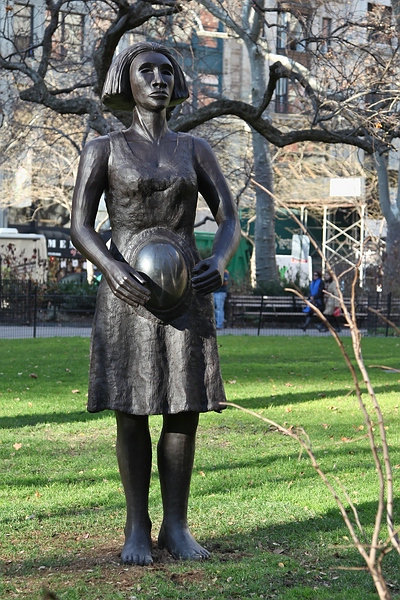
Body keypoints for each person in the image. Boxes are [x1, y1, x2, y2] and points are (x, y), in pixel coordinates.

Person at [71, 42, 240, 567]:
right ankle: (136, 524)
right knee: (131, 409)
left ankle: (176, 525)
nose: (159, 79)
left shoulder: (195, 149)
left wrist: (219, 258)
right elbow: (80, 225)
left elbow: (229, 217)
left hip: (186, 293)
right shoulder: (103, 148)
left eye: (167, 71)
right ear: (128, 81)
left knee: (184, 410)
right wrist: (111, 266)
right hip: (128, 292)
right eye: (147, 71)